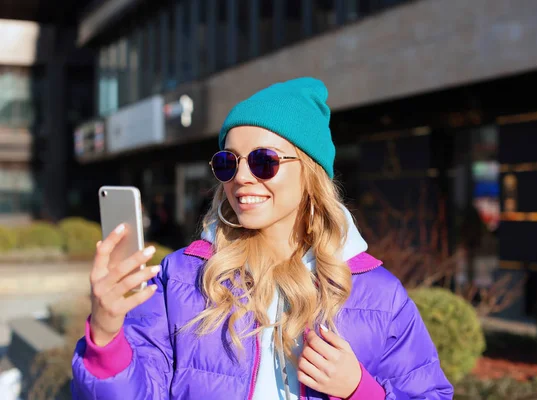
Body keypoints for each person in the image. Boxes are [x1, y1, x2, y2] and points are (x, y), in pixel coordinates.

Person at [71, 77, 453, 399]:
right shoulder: (181, 276)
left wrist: (358, 390)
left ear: (310, 173)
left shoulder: (380, 295)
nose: (241, 177)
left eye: (263, 161)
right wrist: (105, 335)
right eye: (228, 161)